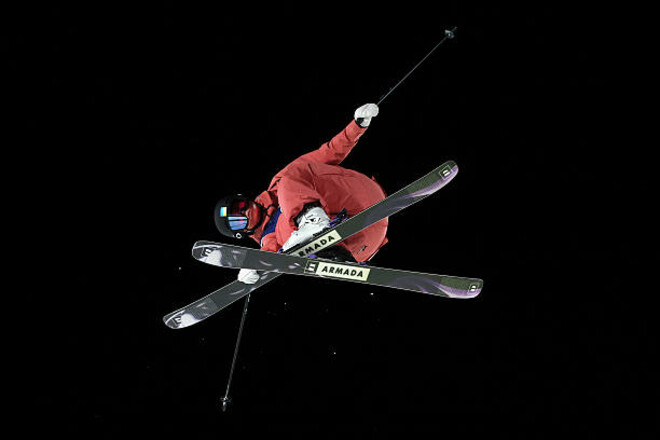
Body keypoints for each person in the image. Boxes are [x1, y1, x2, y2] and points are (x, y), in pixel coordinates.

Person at [214, 103, 388, 284]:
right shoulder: (271, 238)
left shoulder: (281, 184)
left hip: (359, 197)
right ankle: (332, 253)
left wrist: (357, 126)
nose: (244, 213)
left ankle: (313, 221)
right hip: (361, 242)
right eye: (237, 220)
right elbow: (268, 255)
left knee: (291, 178)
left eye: (239, 207)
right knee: (282, 242)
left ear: (244, 198)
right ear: (242, 233)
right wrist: (254, 266)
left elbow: (329, 153)